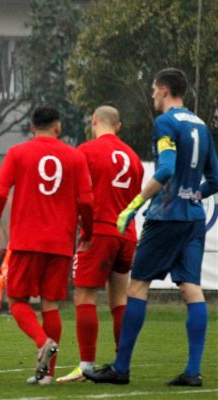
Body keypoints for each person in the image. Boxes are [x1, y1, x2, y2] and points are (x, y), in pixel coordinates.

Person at [84, 68, 218, 386]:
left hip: (166, 217)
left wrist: (134, 205)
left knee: (137, 286)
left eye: (154, 90)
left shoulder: (166, 123)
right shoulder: (201, 125)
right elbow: (215, 178)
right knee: (191, 288)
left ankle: (121, 368)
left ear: (164, 89)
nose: (152, 95)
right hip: (194, 219)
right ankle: (193, 372)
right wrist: (194, 194)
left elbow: (167, 168)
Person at [0, 106, 94, 385]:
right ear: (58, 128)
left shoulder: (18, 153)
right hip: (60, 243)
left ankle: (42, 341)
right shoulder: (75, 156)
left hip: (26, 240)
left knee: (17, 300)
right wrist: (87, 232)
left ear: (32, 128)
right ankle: (47, 375)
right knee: (50, 305)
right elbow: (86, 201)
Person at [56, 105, 144, 383]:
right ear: (118, 126)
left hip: (99, 232)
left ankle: (85, 366)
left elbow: (77, 196)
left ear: (94, 121)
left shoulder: (86, 151)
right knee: (119, 298)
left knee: (84, 296)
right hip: (127, 233)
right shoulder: (133, 157)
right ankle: (121, 363)